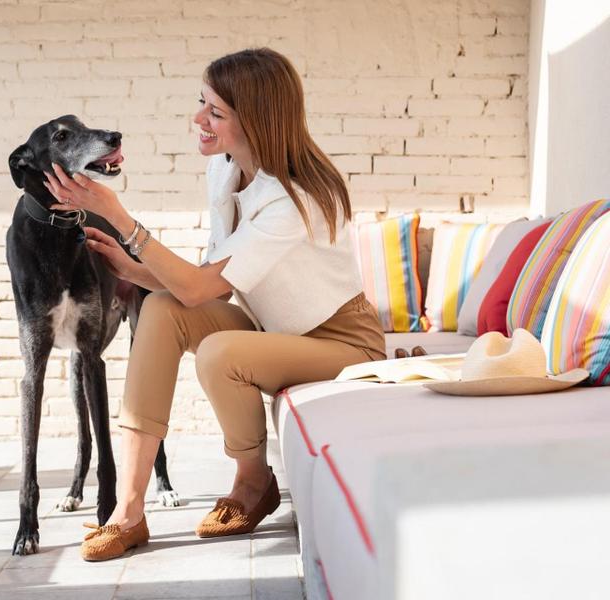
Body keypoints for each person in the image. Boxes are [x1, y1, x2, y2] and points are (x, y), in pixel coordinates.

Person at [44, 47, 386, 562]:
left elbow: (203, 290)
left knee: (220, 352)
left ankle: (254, 482)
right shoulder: (225, 173)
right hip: (276, 332)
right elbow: (213, 281)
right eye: (201, 103)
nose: (198, 120)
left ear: (257, 119)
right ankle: (129, 510)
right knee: (158, 309)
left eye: (215, 112)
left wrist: (118, 214)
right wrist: (130, 267)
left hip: (342, 342)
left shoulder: (294, 197)